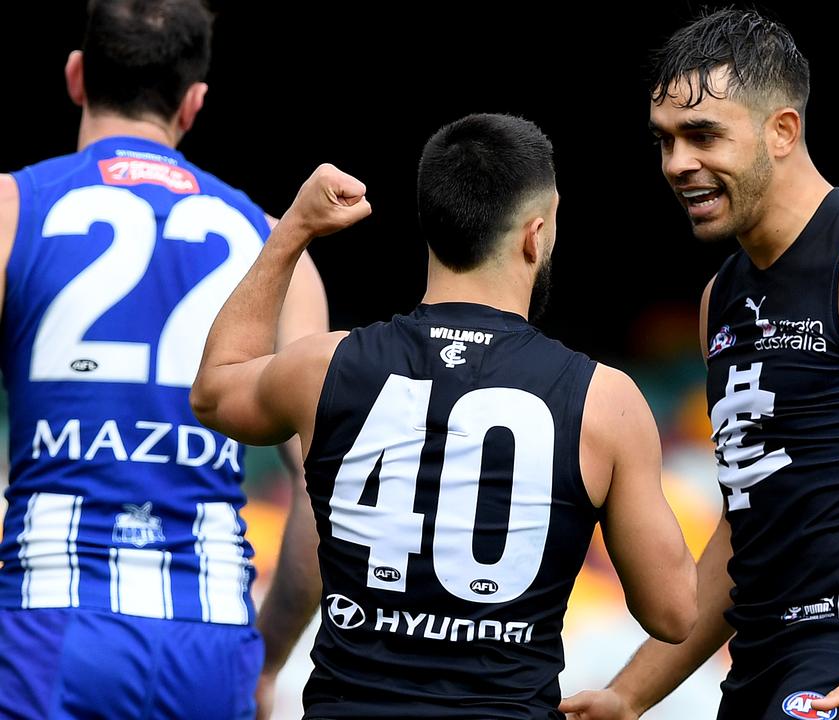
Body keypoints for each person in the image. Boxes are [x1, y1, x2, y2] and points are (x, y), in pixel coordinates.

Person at [560, 9, 839, 720]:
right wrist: (627, 695)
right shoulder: (722, 298)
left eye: (703, 134)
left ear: (782, 131)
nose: (677, 163)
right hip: (760, 669)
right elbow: (745, 530)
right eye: (666, 140)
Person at [189, 113, 698, 718]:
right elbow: (673, 612)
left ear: (432, 227)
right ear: (535, 236)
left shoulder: (325, 366)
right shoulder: (604, 401)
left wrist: (292, 231)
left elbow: (213, 391)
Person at [0, 1, 327, 718]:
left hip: (47, 623)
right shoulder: (278, 250)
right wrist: (265, 660)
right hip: (210, 640)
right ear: (193, 104)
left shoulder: (11, 210)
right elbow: (322, 492)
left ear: (76, 75)